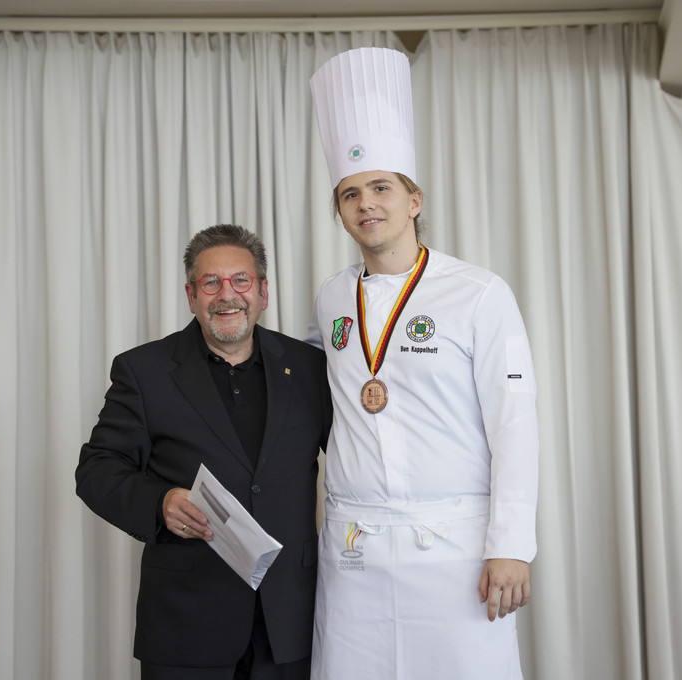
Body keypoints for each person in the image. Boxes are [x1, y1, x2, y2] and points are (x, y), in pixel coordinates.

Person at [306, 48, 540, 679]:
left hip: (455, 549)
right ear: (340, 213)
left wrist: (511, 545)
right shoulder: (331, 298)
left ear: (414, 200)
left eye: (381, 187)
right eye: (350, 193)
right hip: (354, 550)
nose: (366, 203)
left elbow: (514, 424)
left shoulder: (479, 293)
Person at [76, 224, 332, 680]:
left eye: (240, 280)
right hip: (185, 622)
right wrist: (159, 502)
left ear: (263, 291)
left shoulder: (311, 367)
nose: (227, 294)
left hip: (290, 620)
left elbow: (358, 457)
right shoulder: (143, 371)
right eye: (211, 282)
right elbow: (97, 469)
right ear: (191, 295)